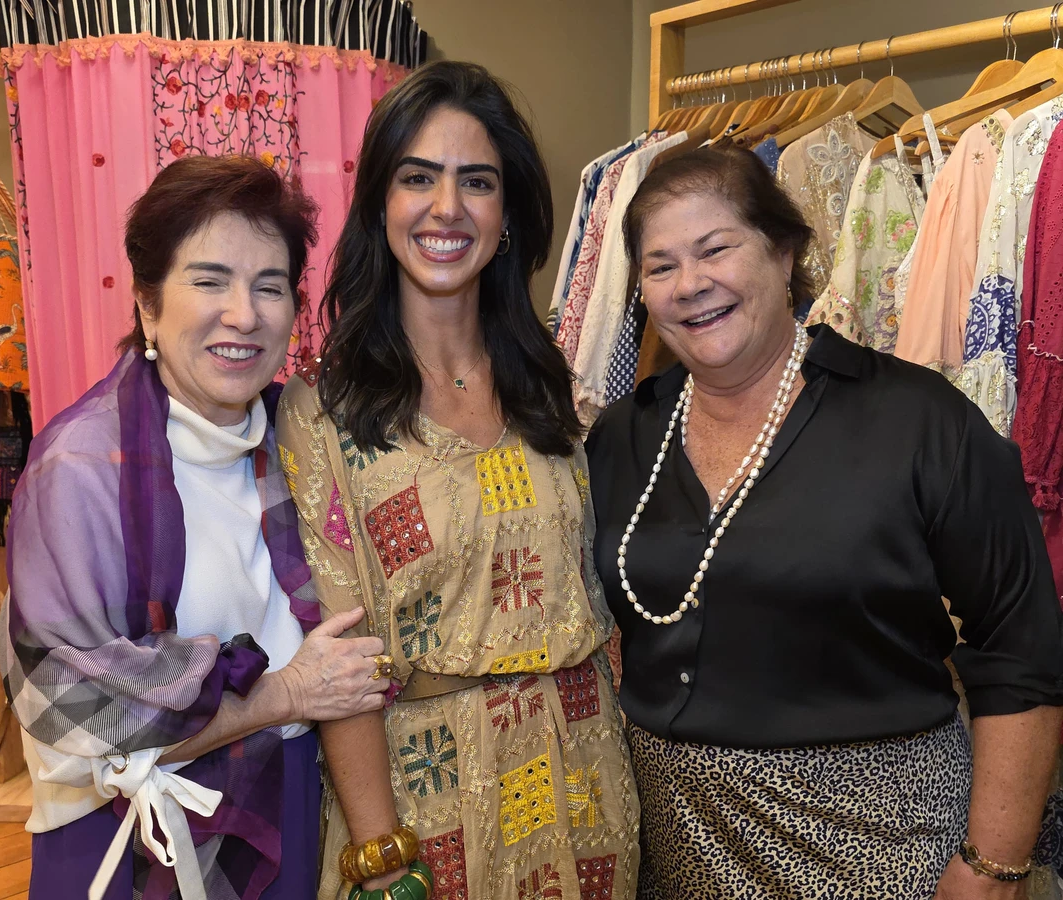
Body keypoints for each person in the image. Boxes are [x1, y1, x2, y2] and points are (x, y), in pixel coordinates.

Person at [584, 143, 1063, 900]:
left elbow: (1021, 647)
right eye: (661, 265)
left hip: (885, 846)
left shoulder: (919, 422)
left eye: (716, 249)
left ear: (783, 252)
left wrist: (993, 869)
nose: (691, 285)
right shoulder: (622, 436)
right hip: (675, 849)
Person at [276, 61, 639, 900]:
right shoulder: (323, 409)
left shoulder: (549, 383)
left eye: (476, 182)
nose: (447, 208)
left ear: (506, 215)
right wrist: (380, 853)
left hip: (584, 776)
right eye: (417, 178)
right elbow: (343, 655)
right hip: (423, 797)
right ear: (379, 205)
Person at [0, 155, 393, 900]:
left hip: (288, 819)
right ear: (148, 305)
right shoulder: (80, 470)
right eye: (210, 280)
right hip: (130, 845)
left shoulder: (299, 436)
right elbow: (71, 712)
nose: (244, 314)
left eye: (269, 286)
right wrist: (284, 695)